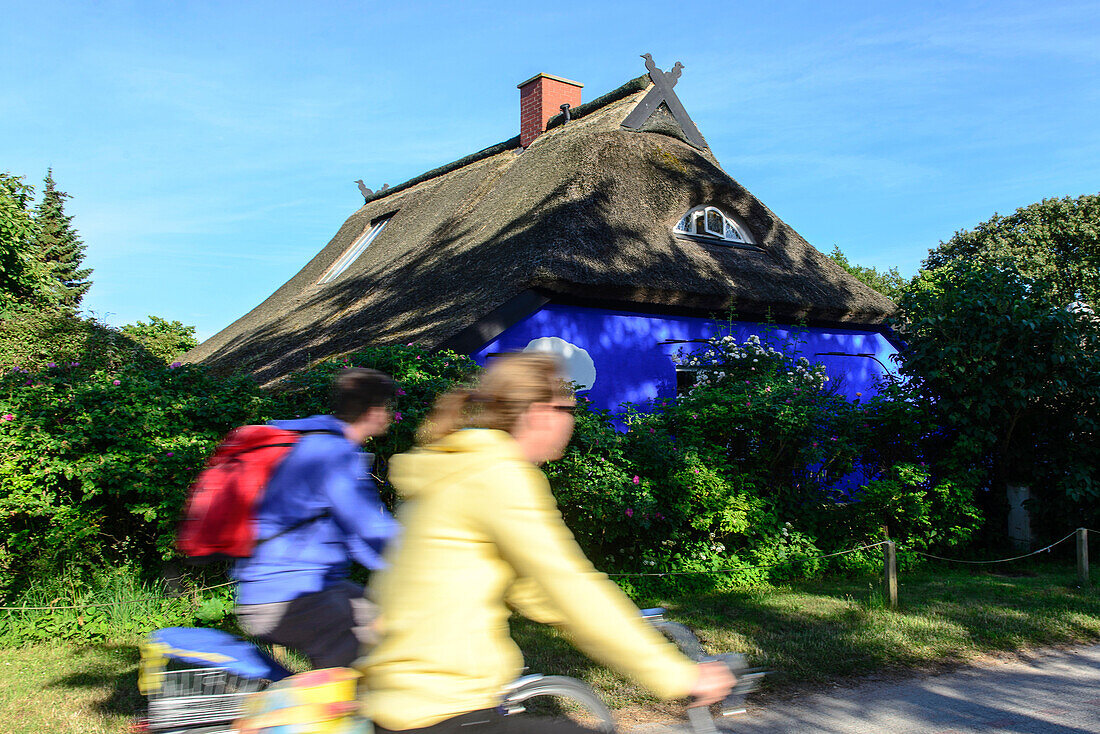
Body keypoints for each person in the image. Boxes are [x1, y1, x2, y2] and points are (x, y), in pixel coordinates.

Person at [361, 353, 734, 733]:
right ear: (539, 412)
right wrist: (678, 675)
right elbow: (570, 588)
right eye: (568, 408)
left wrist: (626, 628)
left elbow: (537, 591)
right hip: (443, 708)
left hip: (399, 704)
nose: (573, 419)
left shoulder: (457, 466)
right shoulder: (499, 475)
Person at [233, 367, 401, 669]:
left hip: (293, 587)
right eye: (388, 406)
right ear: (373, 411)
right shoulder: (334, 454)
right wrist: (426, 559)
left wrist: (397, 569)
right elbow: (371, 527)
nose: (389, 413)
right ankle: (344, 710)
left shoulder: (316, 443)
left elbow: (357, 538)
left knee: (389, 618)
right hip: (287, 595)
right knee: (358, 665)